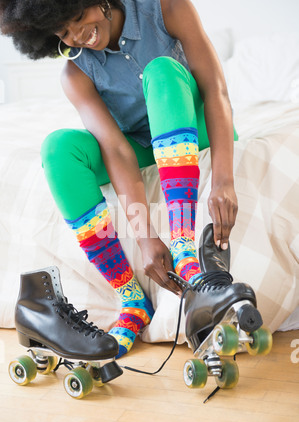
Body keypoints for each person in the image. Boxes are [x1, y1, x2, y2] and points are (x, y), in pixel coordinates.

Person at [0, 0, 238, 358]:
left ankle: (185, 248)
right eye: (64, 32)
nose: (79, 37)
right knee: (57, 148)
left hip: (194, 123)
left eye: (79, 17)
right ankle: (131, 297)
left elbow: (216, 91)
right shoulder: (75, 73)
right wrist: (145, 237)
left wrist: (222, 180)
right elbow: (116, 150)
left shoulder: (166, 8)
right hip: (138, 143)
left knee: (161, 71)